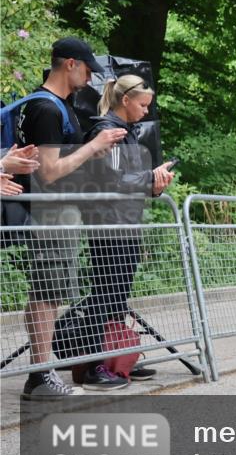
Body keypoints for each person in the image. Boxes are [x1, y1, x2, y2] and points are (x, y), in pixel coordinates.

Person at [15, 37, 127, 400]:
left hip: (55, 210)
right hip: (51, 210)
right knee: (47, 293)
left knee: (48, 292)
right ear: (70, 64)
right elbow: (48, 172)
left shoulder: (51, 104)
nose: (90, 77)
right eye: (88, 69)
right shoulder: (47, 109)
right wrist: (93, 146)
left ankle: (42, 371)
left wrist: (91, 154)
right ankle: (39, 375)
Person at [69, 75, 175, 389]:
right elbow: (112, 180)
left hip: (125, 223)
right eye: (142, 104)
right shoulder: (108, 131)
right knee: (105, 295)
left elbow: (128, 180)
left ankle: (118, 358)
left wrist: (153, 184)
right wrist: (148, 178)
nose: (146, 111)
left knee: (117, 297)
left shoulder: (125, 132)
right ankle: (94, 366)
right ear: (125, 100)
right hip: (109, 226)